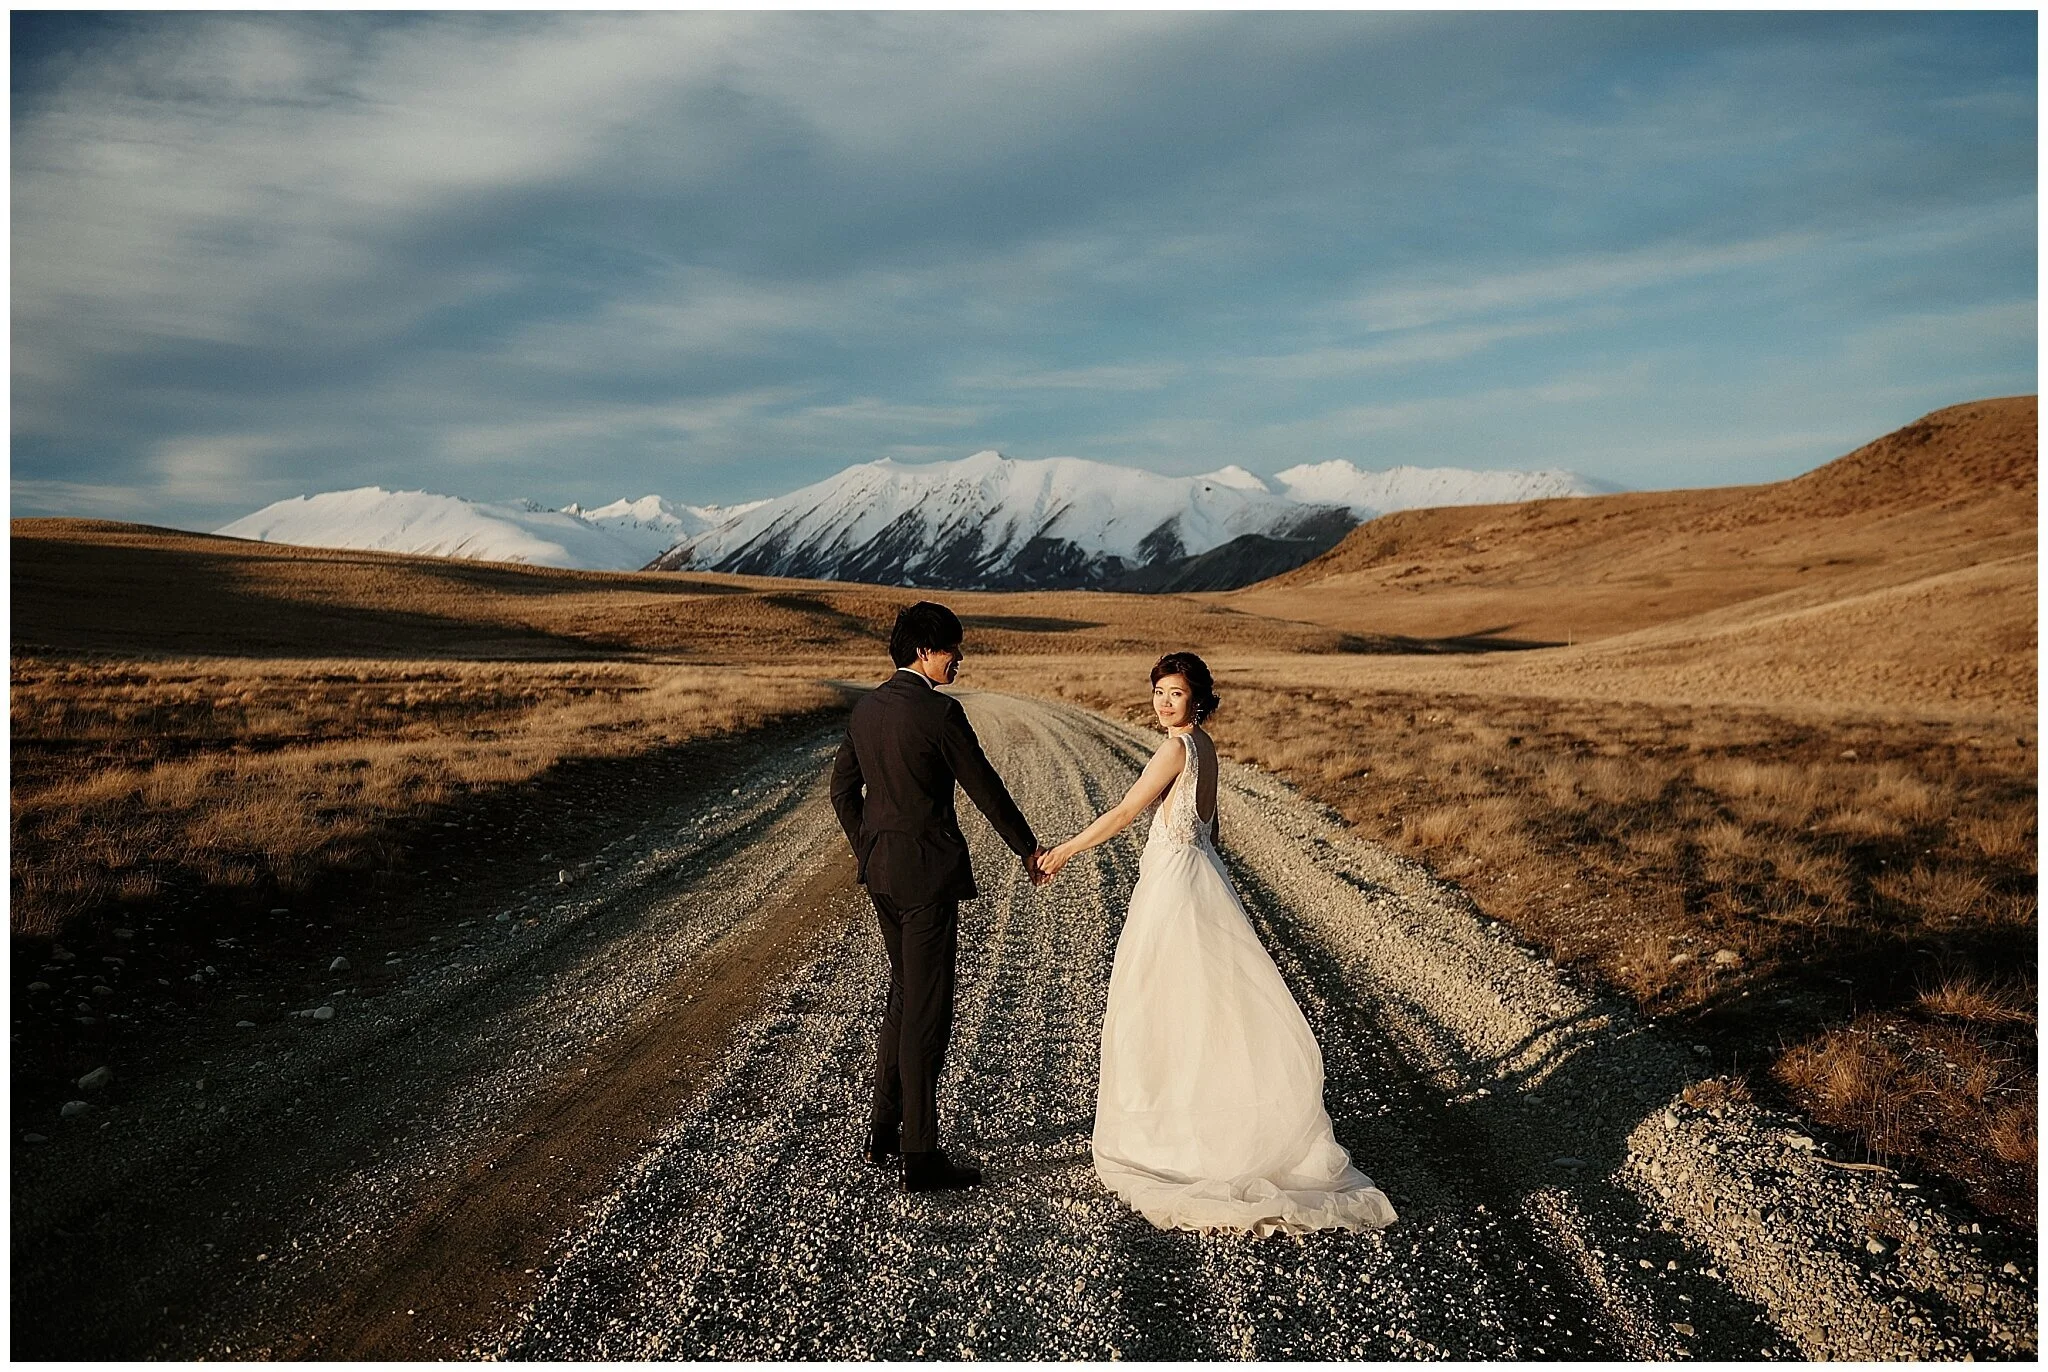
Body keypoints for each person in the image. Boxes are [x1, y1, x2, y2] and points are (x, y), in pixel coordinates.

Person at [1037, 652, 1397, 1234]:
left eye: (1174, 693)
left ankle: (1179, 1141)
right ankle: (1213, 1123)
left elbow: (1128, 810)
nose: (1162, 702)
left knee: (1162, 1003)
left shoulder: (1176, 748)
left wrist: (1063, 852)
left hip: (1175, 884)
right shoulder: (1205, 746)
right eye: (1158, 691)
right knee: (1204, 1005)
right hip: (1199, 875)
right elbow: (1212, 827)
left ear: (1197, 698)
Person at [829, 601, 1045, 1193]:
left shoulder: (867, 708)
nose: (960, 660)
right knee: (927, 1014)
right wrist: (1027, 847)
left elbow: (842, 789)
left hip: (882, 875)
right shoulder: (940, 713)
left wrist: (869, 845)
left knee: (904, 997)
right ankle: (920, 1156)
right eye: (953, 649)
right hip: (926, 879)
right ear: (924, 651)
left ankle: (883, 1130)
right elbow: (985, 787)